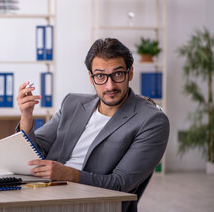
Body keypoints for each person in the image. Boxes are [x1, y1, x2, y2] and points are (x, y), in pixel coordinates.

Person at [16, 38, 170, 212]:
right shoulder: (72, 104)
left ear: (130, 73)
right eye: (100, 76)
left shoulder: (152, 120)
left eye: (118, 74)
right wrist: (27, 116)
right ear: (91, 77)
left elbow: (120, 184)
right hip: (46, 194)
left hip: (95, 204)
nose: (110, 85)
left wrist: (68, 174)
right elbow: (36, 152)